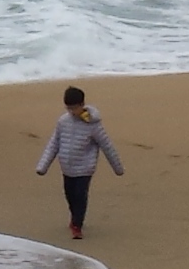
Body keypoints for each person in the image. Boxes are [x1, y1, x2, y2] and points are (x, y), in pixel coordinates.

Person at [33, 85, 125, 240]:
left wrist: (118, 168)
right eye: (68, 108)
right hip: (67, 167)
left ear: (82, 105)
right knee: (70, 195)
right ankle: (74, 217)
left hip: (85, 168)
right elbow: (54, 143)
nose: (71, 111)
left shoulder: (93, 125)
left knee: (80, 195)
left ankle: (77, 225)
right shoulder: (63, 121)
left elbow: (107, 146)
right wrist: (43, 166)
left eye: (74, 108)